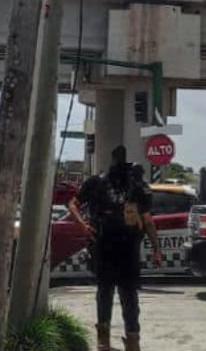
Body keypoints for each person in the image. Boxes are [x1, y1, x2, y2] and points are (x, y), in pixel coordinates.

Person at [67, 146, 163, 351]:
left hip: (123, 247)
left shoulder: (135, 187)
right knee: (112, 293)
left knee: (121, 294)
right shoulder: (97, 183)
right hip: (107, 245)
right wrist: (83, 225)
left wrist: (156, 248)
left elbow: (147, 220)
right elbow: (73, 204)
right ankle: (112, 340)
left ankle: (130, 339)